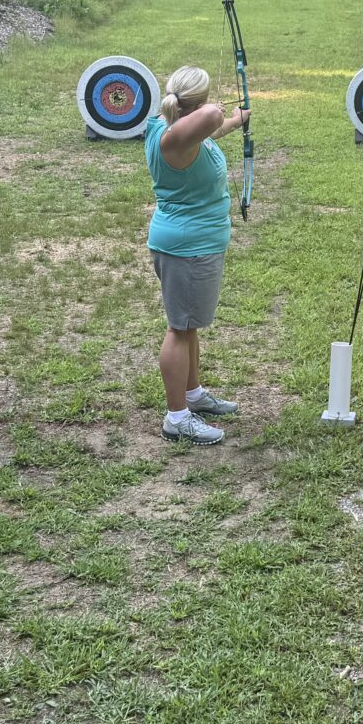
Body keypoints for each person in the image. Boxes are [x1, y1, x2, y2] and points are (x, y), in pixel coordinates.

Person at [144, 65, 245, 444]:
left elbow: (210, 127)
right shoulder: (172, 139)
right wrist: (215, 109)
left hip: (189, 244)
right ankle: (177, 418)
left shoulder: (169, 126)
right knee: (179, 329)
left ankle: (193, 394)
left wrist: (236, 120)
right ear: (198, 103)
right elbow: (209, 119)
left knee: (187, 326)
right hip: (187, 248)